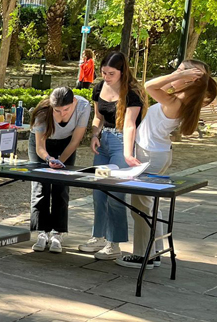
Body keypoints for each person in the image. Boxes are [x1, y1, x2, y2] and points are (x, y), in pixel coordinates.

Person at [117, 60, 217, 268]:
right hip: (157, 153)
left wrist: (179, 77)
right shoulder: (181, 97)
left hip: (150, 156)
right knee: (151, 204)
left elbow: (148, 86)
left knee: (141, 206)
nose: (175, 72)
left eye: (181, 70)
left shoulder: (176, 101)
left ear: (192, 79)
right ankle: (154, 251)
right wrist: (181, 77)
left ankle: (143, 256)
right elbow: (157, 87)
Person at [80, 51, 146, 261]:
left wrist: (127, 153)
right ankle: (97, 236)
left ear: (122, 71)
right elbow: (98, 117)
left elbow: (129, 125)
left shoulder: (132, 93)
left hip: (121, 142)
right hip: (104, 141)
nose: (106, 77)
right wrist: (94, 135)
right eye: (104, 72)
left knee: (115, 194)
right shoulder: (99, 87)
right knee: (98, 192)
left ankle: (114, 243)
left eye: (111, 73)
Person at [28, 87, 91, 253]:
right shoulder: (43, 113)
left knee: (61, 186)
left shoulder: (83, 106)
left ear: (74, 103)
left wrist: (60, 163)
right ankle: (42, 232)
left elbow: (75, 141)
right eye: (57, 110)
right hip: (43, 146)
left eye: (66, 109)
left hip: (67, 144)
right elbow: (40, 147)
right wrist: (49, 160)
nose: (62, 114)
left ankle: (58, 232)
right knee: (40, 185)